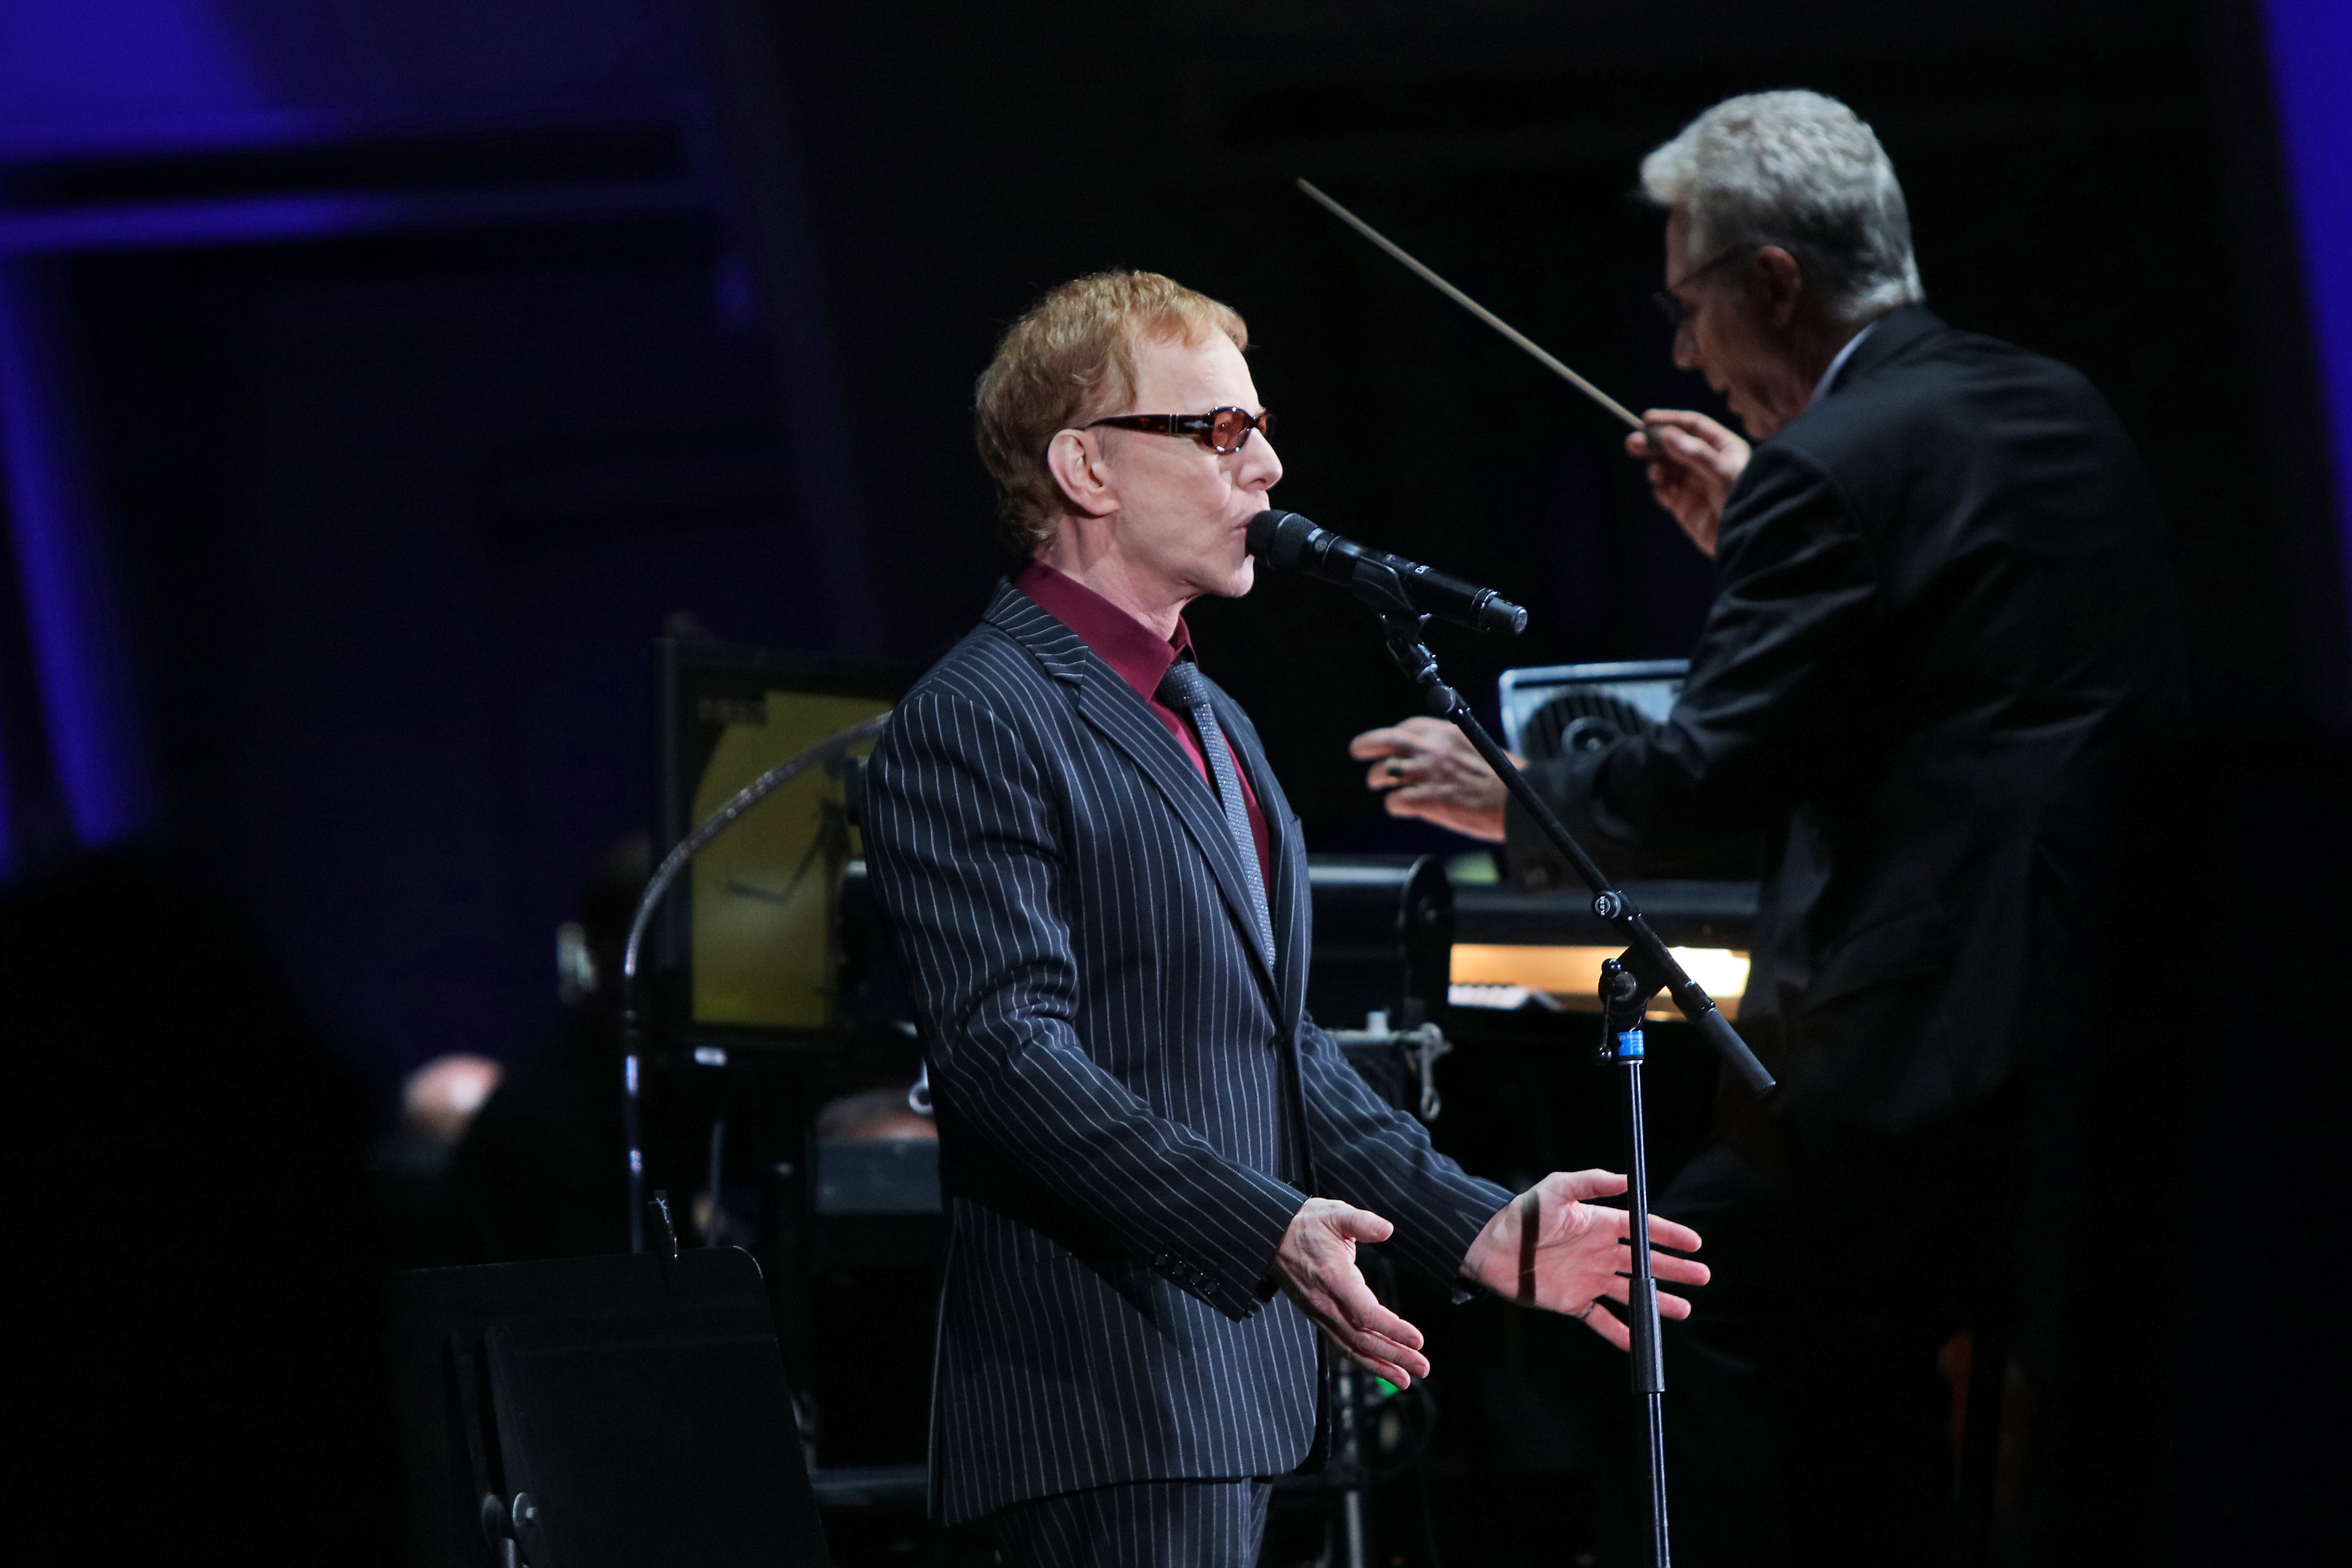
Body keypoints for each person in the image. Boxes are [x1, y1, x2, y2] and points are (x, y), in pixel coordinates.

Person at [1351, 91, 2181, 1563]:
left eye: (1687, 306)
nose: (1684, 355)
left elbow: (1706, 780)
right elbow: (1941, 683)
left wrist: (1506, 790)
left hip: (1922, 1058)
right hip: (2118, 1026)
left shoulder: (1824, 466)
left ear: (1774, 283)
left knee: (1669, 1300)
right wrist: (1771, 530)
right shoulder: (2055, 403)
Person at [863, 270, 1709, 1567]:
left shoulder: (1211, 718)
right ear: (1086, 467)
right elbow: (1003, 1054)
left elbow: (1276, 1047)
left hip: (1228, 1397)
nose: (1264, 466)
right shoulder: (977, 716)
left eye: (1257, 428)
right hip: (1095, 1402)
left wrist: (1471, 1221)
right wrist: (1264, 1224)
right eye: (1218, 430)